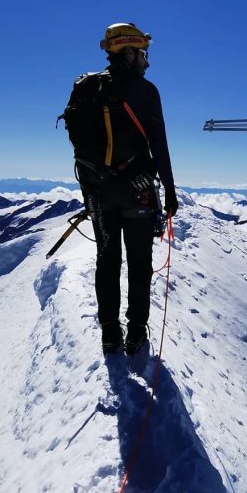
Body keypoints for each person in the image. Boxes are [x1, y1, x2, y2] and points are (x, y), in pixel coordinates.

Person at [61, 22, 177, 355]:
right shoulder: (145, 91)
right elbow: (160, 146)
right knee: (139, 265)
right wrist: (169, 190)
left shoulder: (88, 88)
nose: (146, 61)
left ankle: (110, 334)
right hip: (136, 192)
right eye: (143, 53)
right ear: (128, 51)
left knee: (106, 261)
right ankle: (136, 334)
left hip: (98, 193)